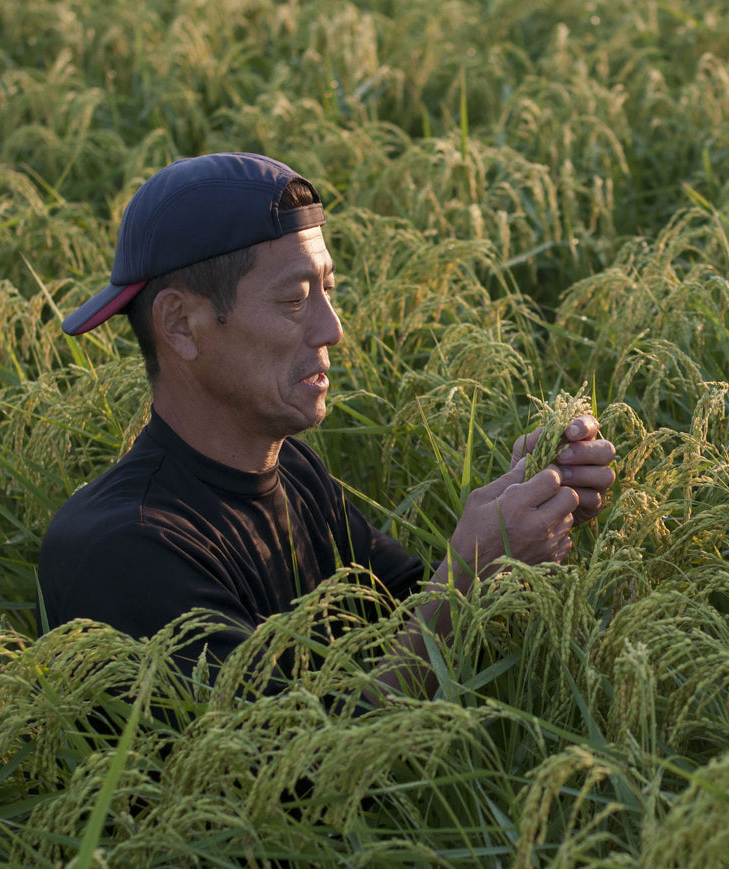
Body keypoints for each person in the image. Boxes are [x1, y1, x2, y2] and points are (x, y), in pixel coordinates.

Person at [38, 152, 616, 696]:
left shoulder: (289, 468)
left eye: (328, 290)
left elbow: (403, 617)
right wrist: (464, 584)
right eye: (294, 301)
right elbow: (298, 780)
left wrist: (529, 505)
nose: (332, 329)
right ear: (181, 324)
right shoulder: (124, 549)